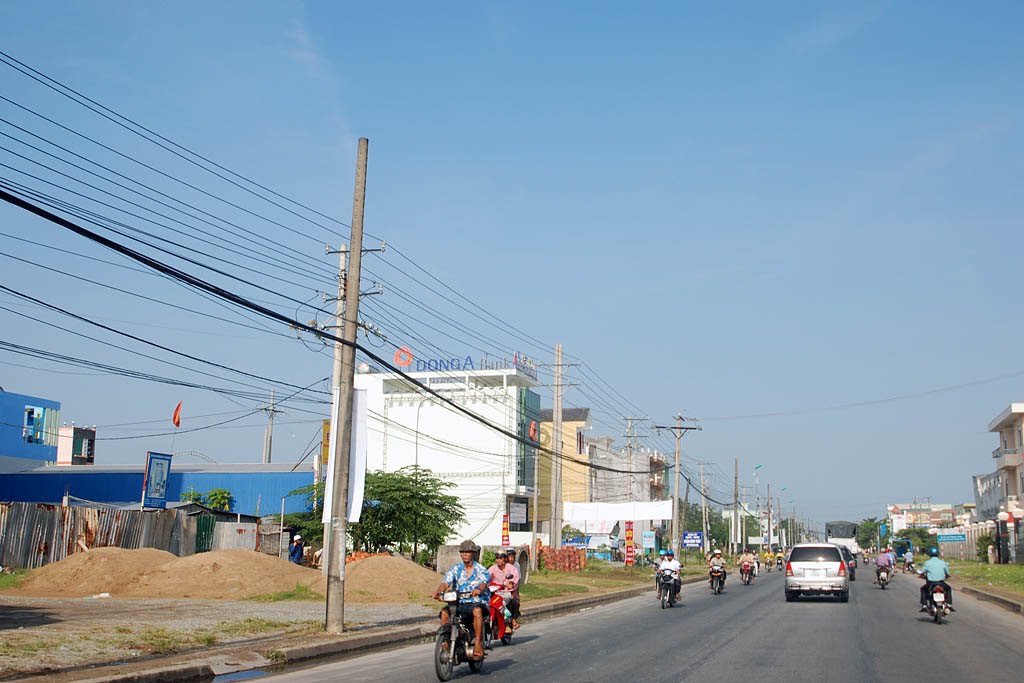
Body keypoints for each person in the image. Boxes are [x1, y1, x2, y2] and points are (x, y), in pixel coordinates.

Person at [434, 540, 490, 660]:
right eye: (462, 552)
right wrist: (439, 592)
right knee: (444, 613)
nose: (464, 554)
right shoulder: (456, 569)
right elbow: (445, 582)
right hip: (458, 602)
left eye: (467, 552)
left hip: (475, 601)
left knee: (477, 611)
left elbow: (483, 583)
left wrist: (479, 590)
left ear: (473, 553)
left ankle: (478, 644)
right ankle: (445, 643)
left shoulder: (481, 569)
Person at [491, 548, 521, 631]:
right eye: (497, 558)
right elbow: (486, 577)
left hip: (506, 593)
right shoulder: (492, 568)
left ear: (504, 559)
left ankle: (508, 623)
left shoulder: (511, 568)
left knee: (501, 603)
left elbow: (516, 578)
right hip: (494, 593)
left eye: (500, 558)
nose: (498, 560)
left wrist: (511, 583)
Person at [918, 547, 954, 612]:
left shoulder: (927, 563)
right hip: (941, 583)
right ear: (938, 553)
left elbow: (921, 572)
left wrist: (920, 575)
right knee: (948, 589)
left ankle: (924, 605)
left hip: (931, 583)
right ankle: (949, 604)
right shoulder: (943, 562)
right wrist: (947, 576)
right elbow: (948, 573)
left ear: (929, 554)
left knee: (923, 589)